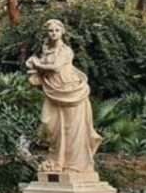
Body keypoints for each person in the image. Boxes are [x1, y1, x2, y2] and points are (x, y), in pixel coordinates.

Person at [25, 19, 103, 174]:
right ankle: (57, 161)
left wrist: (35, 62)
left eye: (56, 30)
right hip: (53, 93)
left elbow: (55, 68)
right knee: (48, 123)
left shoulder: (66, 51)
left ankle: (74, 165)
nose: (53, 34)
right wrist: (34, 67)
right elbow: (41, 72)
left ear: (62, 32)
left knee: (71, 129)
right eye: (50, 31)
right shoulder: (46, 50)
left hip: (71, 92)